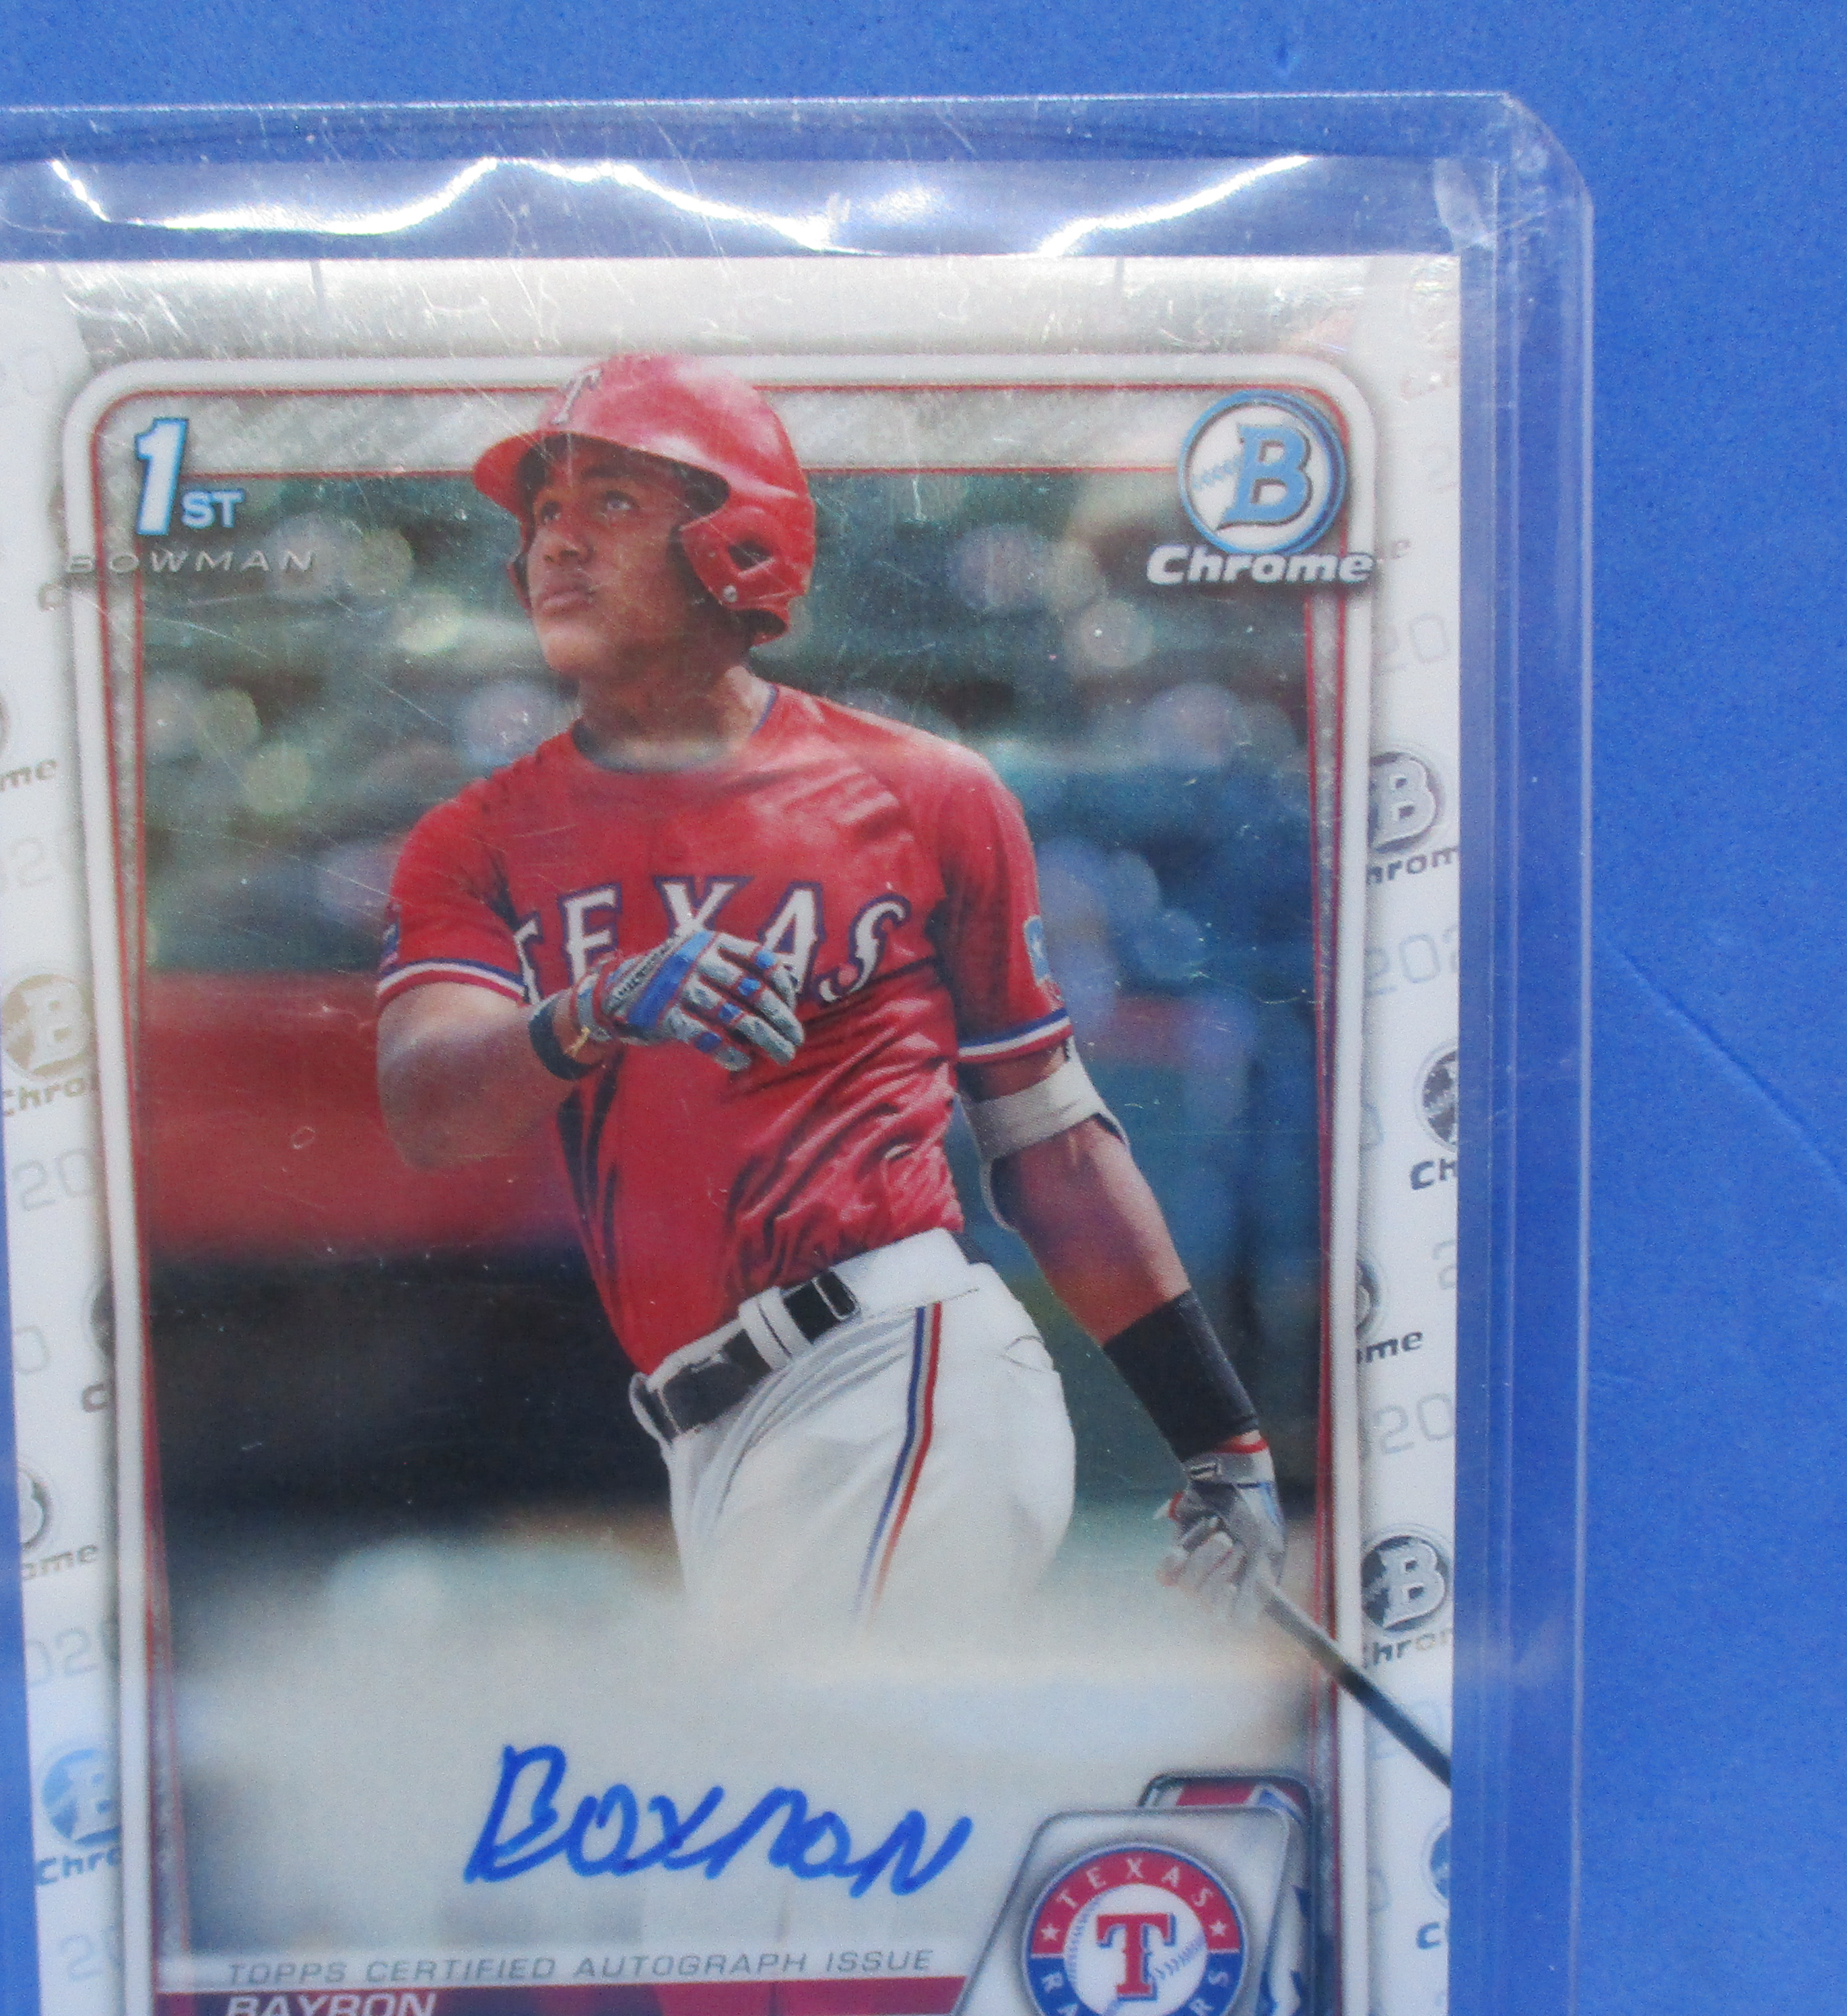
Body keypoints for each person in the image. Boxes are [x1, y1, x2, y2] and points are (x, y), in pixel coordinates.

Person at [374, 355, 1283, 1636]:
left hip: (895, 1368)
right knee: (803, 1757)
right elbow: (430, 1111)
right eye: (543, 515)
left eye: (613, 502)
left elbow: (1052, 1146)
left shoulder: (925, 792)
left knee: (805, 1738)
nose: (556, 542)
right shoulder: (474, 839)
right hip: (709, 1433)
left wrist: (1221, 1442)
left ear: (737, 538)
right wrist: (595, 1007)